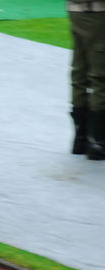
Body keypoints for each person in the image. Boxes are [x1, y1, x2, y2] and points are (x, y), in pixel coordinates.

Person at [67, 0, 105, 160]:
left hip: (75, 10)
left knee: (80, 73)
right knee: (100, 78)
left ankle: (81, 139)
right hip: (97, 13)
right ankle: (97, 142)